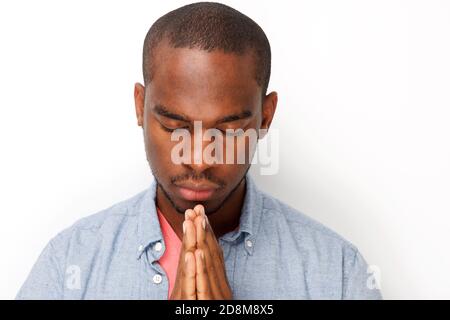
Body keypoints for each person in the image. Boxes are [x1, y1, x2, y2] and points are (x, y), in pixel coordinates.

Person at [17, 2, 382, 300]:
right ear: (139, 106)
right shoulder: (67, 265)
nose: (198, 158)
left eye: (227, 130)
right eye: (175, 128)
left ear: (265, 116)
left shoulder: (338, 275)